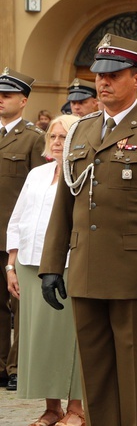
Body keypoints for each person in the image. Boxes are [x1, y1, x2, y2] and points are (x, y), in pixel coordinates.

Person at [39, 33, 137, 426]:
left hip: (133, 275)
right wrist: (52, 264)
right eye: (99, 75)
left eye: (114, 74)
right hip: (87, 270)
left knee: (135, 376)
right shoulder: (83, 130)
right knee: (96, 373)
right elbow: (65, 203)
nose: (103, 82)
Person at [6, 114, 85, 426]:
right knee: (39, 339)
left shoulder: (81, 174)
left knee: (70, 337)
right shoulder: (37, 174)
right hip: (29, 264)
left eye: (63, 137)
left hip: (65, 265)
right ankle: (52, 408)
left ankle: (77, 408)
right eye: (52, 136)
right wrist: (11, 265)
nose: (56, 142)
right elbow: (18, 219)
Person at [0, 68, 47, 391]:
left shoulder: (33, 138)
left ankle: (17, 366)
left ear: (23, 101)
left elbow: (39, 190)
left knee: (19, 304)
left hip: (15, 236)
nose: (1, 100)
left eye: (7, 95)